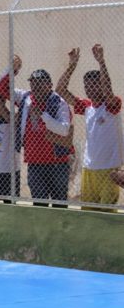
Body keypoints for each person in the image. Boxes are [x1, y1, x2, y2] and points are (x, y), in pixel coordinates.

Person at [0, 58, 73, 207]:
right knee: (39, 204)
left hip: (57, 163)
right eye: (33, 83)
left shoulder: (59, 102)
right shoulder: (26, 98)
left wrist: (43, 116)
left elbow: (64, 129)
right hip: (35, 162)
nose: (35, 86)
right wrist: (12, 70)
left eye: (39, 83)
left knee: (59, 204)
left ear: (49, 85)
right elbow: (1, 89)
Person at [56, 45, 123, 211]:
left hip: (109, 168)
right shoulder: (87, 107)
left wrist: (101, 62)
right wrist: (72, 66)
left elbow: (108, 92)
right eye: (87, 86)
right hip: (89, 169)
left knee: (107, 213)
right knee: (88, 212)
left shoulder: (111, 106)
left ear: (100, 86)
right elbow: (60, 90)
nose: (89, 89)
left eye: (93, 85)